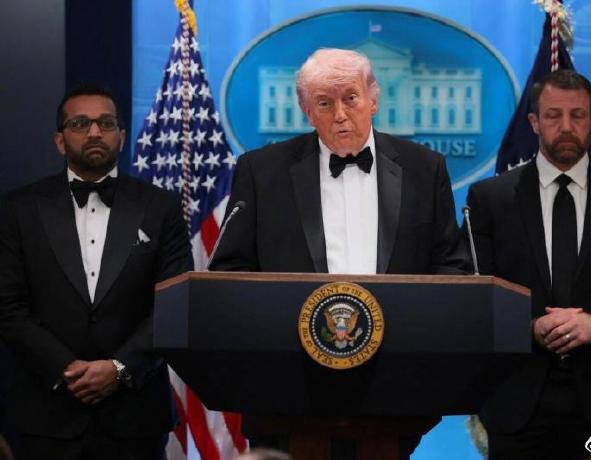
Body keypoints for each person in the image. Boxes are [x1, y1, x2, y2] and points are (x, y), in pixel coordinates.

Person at [463, 69, 591, 459]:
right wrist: (529, 327)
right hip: (517, 404)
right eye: (554, 115)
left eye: (578, 115)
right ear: (534, 122)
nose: (567, 127)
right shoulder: (491, 199)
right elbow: (474, 295)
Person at [0, 85, 192, 459]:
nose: (93, 132)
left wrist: (119, 368)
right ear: (60, 140)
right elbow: (7, 307)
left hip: (135, 416)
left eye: (105, 123)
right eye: (80, 123)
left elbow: (175, 305)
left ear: (121, 135)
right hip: (44, 415)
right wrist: (66, 368)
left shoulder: (160, 207)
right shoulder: (18, 209)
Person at [209, 48, 463, 275]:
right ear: (308, 113)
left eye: (351, 98)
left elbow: (452, 266)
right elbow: (231, 269)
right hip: (289, 315)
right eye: (325, 103)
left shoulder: (425, 169)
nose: (340, 114)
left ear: (373, 101)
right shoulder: (261, 173)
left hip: (402, 314)